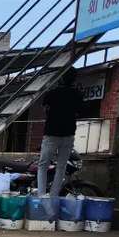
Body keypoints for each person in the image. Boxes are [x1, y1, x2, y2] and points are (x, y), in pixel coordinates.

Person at [38, 69, 83, 203]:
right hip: (68, 134)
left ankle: (41, 195)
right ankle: (54, 195)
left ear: (60, 79)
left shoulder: (51, 94)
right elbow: (79, 112)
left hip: (52, 133)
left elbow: (45, 109)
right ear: (74, 79)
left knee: (43, 165)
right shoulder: (78, 95)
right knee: (61, 166)